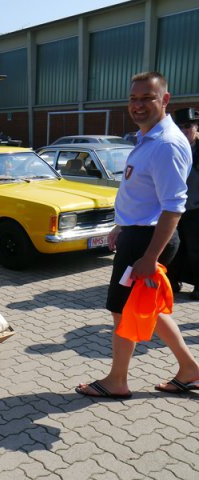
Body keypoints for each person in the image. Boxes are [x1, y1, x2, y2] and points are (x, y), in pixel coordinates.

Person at [76, 72, 199, 398]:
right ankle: (190, 370)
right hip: (138, 234)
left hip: (146, 242)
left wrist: (149, 257)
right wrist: (122, 225)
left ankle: (117, 381)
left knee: (121, 310)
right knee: (149, 308)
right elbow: (145, 196)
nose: (138, 105)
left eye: (147, 98)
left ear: (165, 100)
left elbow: (173, 207)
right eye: (133, 98)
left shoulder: (166, 144)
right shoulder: (147, 138)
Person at [167, 108, 199, 298]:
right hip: (174, 210)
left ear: (196, 127)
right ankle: (172, 281)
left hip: (196, 209)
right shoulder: (172, 149)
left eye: (188, 126)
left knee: (196, 250)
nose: (184, 130)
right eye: (180, 127)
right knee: (174, 248)